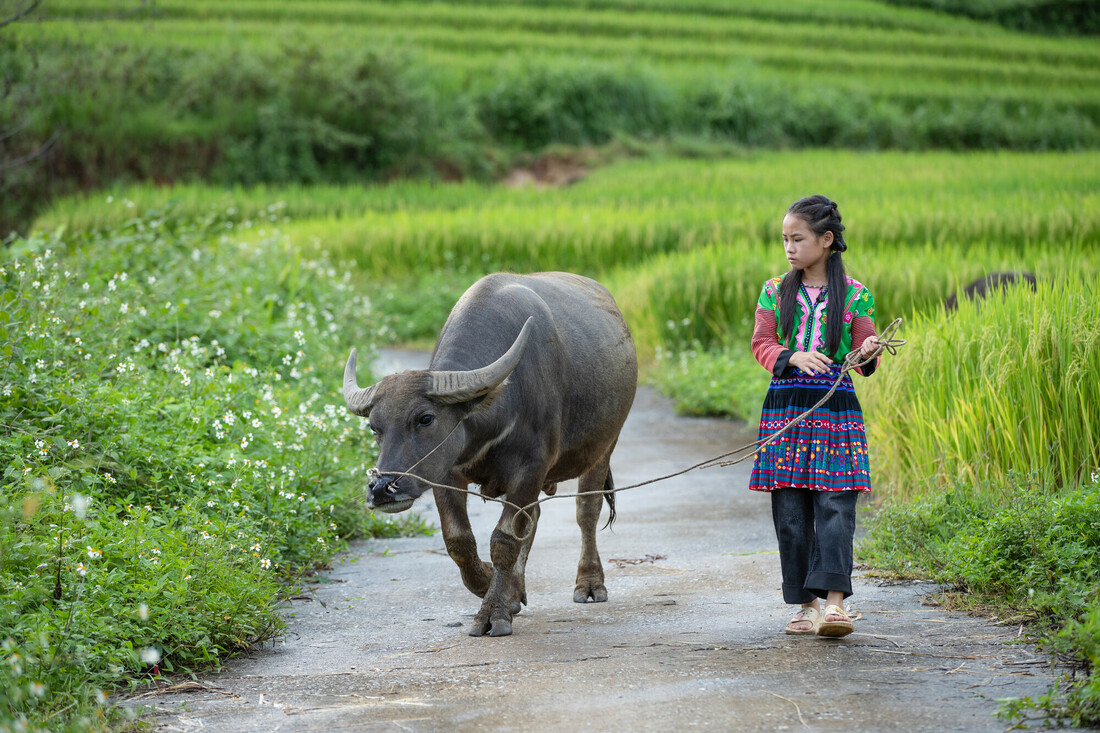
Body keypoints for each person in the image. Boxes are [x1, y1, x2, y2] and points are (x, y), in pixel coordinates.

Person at [749, 195, 881, 638]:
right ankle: (804, 605)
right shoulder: (773, 290)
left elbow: (864, 352)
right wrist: (793, 355)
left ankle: (836, 604)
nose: (789, 247)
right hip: (785, 409)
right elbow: (762, 343)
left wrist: (868, 350)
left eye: (797, 238)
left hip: (836, 411)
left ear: (826, 240)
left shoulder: (857, 296)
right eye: (785, 239)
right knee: (790, 511)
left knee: (836, 504)